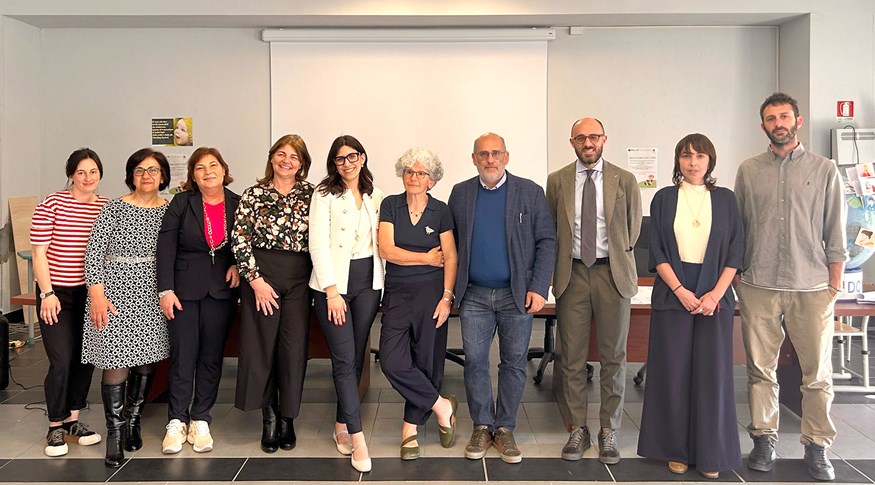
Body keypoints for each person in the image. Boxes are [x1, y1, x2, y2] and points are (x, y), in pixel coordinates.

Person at [735, 92, 847, 481]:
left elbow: (835, 227)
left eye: (784, 116)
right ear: (763, 125)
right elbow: (741, 228)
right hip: (758, 283)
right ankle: (764, 438)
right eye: (771, 118)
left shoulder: (825, 168)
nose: (778, 123)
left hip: (811, 286)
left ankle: (817, 446)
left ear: (797, 121)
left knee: (816, 373)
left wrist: (834, 280)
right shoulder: (748, 170)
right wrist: (737, 275)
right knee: (759, 370)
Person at [636, 133, 743, 479]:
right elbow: (657, 252)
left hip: (717, 294)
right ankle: (675, 450)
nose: (693, 162)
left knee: (713, 377)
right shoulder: (664, 198)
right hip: (673, 294)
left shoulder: (726, 200)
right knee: (673, 375)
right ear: (677, 161)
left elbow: (735, 253)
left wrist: (714, 294)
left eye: (699, 156)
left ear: (710, 161)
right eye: (686, 156)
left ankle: (712, 453)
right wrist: (681, 290)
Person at [448, 133, 556, 463]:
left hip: (516, 295)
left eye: (496, 153)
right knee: (476, 363)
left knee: (512, 364)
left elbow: (547, 241)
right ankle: (483, 425)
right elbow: (449, 243)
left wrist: (539, 287)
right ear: (474, 158)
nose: (490, 159)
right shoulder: (461, 193)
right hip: (475, 296)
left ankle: (505, 427)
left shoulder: (530, 191)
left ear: (506, 157)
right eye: (483, 154)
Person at [546, 117, 642, 464]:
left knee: (614, 357)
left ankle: (608, 430)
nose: (588, 143)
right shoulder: (557, 181)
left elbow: (632, 231)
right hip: (572, 274)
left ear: (604, 139)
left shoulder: (624, 179)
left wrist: (614, 258)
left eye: (594, 137)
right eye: (581, 137)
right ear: (572, 142)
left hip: (611, 274)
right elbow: (553, 230)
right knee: (571, 358)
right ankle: (578, 428)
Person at [82, 148, 172, 468]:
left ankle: (134, 419)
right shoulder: (114, 208)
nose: (146, 176)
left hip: (153, 292)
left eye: (153, 170)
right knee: (116, 361)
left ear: (163, 176)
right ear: (130, 175)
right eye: (139, 170)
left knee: (146, 362)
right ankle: (115, 433)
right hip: (114, 293)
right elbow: (93, 254)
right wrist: (96, 295)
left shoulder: (171, 209)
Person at [232, 134, 314, 454]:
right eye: (281, 154)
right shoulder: (254, 194)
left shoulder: (312, 195)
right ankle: (268, 419)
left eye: (294, 156)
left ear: (302, 163)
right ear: (272, 158)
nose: (286, 161)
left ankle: (287, 419)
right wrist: (255, 280)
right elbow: (239, 240)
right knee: (261, 348)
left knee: (292, 350)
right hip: (261, 278)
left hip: (299, 280)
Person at [156, 147, 240, 454]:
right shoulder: (182, 202)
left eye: (213, 165)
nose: (208, 171)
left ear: (223, 168)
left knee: (211, 357)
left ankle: (201, 418)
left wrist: (237, 266)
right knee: (183, 356)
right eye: (200, 167)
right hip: (182, 292)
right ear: (193, 175)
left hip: (221, 291)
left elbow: (244, 245)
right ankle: (177, 421)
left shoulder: (238, 202)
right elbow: (165, 247)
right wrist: (165, 290)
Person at [309, 135, 383, 473]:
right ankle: (358, 436)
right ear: (333, 164)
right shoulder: (323, 195)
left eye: (352, 156)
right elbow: (318, 245)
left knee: (354, 358)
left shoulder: (374, 195)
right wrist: (331, 291)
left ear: (363, 158)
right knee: (341, 358)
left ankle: (341, 422)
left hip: (369, 282)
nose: (347, 163)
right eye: (340, 159)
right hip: (334, 284)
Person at [378, 147, 458, 460]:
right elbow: (387, 250)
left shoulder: (440, 211)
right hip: (398, 293)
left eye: (422, 173)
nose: (414, 177)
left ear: (432, 180)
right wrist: (424, 258)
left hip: (432, 295)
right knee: (392, 360)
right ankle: (442, 405)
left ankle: (409, 427)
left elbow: (450, 255)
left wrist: (447, 298)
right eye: (410, 171)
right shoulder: (390, 205)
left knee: (427, 360)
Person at [30, 148, 108, 457]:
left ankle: (74, 420)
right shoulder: (52, 203)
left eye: (93, 172)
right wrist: (47, 293)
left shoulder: (105, 207)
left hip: (90, 293)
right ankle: (54, 426)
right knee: (61, 359)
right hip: (56, 294)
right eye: (81, 172)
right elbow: (39, 253)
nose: (88, 178)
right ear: (71, 175)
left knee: (85, 358)